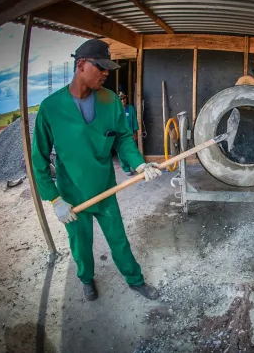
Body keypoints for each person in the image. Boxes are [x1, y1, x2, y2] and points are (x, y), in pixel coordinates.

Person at [32, 39, 162, 301]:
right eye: (100, 67)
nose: (106, 73)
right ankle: (86, 279)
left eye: (107, 68)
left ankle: (135, 280)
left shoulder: (110, 101)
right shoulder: (50, 108)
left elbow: (123, 138)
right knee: (80, 244)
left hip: (105, 188)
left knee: (118, 239)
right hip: (72, 195)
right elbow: (39, 159)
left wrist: (139, 164)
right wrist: (55, 199)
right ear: (81, 65)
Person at [117, 92, 139, 176]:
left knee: (133, 150)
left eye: (124, 98)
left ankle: (136, 165)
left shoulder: (131, 108)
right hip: (120, 135)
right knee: (122, 152)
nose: (123, 100)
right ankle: (126, 168)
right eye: (121, 99)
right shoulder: (116, 109)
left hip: (130, 134)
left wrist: (135, 132)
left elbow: (134, 120)